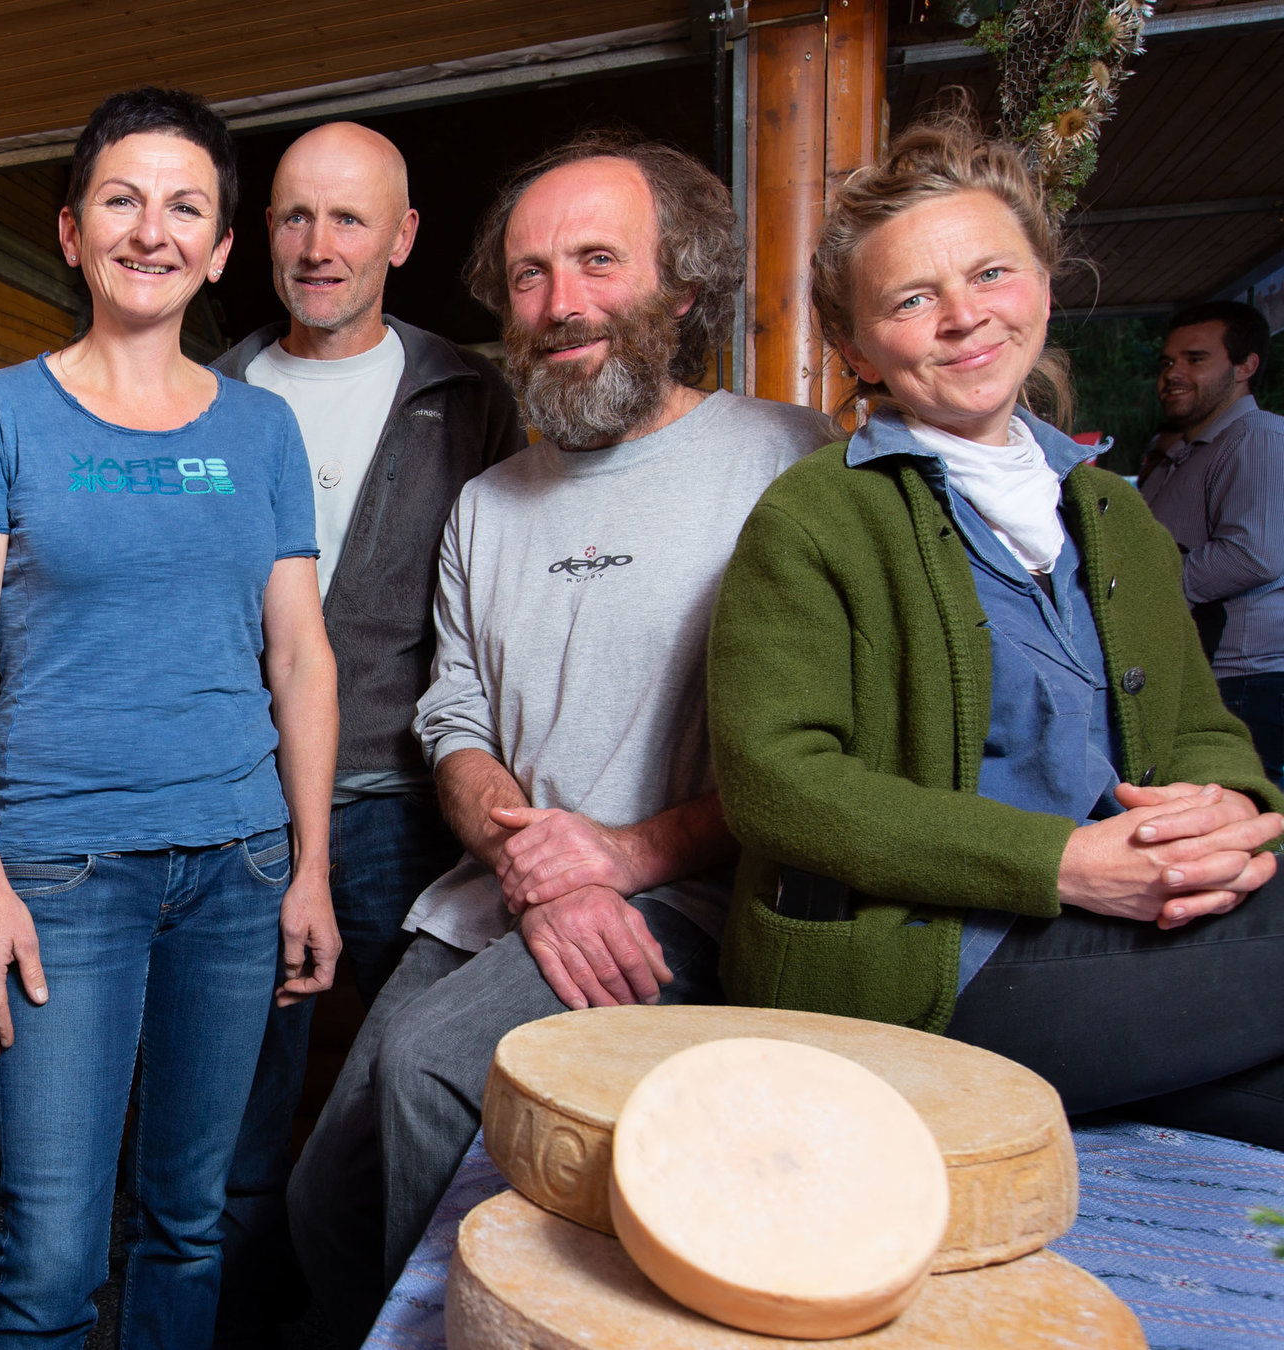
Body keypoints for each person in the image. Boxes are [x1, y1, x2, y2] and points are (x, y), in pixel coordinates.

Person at [285, 131, 843, 1346]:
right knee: (322, 1190)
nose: (559, 303)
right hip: (496, 896)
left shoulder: (794, 464)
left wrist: (621, 862)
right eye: (530, 274)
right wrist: (528, 854)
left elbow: (827, 749)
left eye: (599, 261)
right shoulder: (490, 502)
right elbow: (454, 713)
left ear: (683, 288)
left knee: (433, 1074)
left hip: (683, 904)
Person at [706, 112, 1284, 1151]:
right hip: (922, 964)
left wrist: (1227, 813)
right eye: (913, 298)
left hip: (1117, 929)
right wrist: (1065, 862)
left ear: (1045, 289)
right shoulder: (814, 516)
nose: (964, 318)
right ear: (856, 346)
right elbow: (776, 786)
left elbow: (1206, 726)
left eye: (992, 275)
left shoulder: (1117, 512)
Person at [0, 87, 340, 1348]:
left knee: (188, 1221)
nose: (150, 231)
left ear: (219, 251)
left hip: (238, 865)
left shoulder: (264, 428)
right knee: (50, 1261)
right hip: (63, 876)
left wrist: (310, 868)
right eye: (121, 199)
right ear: (70, 231)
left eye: (185, 207)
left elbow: (301, 656)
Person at [203, 120, 526, 1344]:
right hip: (239, 803)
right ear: (261, 238)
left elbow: (500, 613)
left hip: (403, 807)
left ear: (403, 237)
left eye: (349, 219)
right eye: (295, 216)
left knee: (420, 1106)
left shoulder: (471, 395)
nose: (320, 245)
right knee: (234, 1117)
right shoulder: (211, 394)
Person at [1138, 301, 1284, 781]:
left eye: (1195, 359)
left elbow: (1253, 555)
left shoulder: (1258, 437)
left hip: (1247, 680)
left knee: (1247, 838)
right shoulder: (1173, 450)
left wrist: (1142, 592)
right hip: (1198, 678)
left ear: (1245, 367)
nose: (1173, 373)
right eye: (1167, 362)